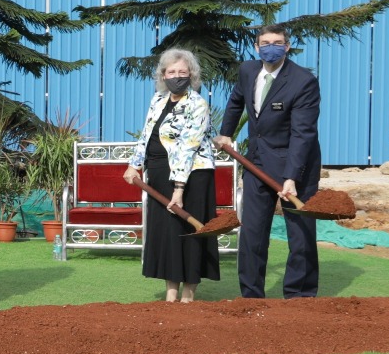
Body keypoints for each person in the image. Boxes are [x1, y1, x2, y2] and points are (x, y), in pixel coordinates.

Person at [214, 24, 323, 299]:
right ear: (256, 46)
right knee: (252, 232)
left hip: (296, 166)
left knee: (299, 235)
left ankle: (300, 295)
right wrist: (226, 132)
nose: (270, 47)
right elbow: (236, 100)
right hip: (257, 163)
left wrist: (291, 178)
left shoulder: (303, 81)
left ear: (287, 47)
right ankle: (251, 294)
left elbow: (302, 134)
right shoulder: (248, 70)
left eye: (277, 42)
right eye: (265, 42)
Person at [126, 49, 221, 303]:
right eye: (171, 72)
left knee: (187, 233)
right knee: (168, 233)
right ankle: (171, 292)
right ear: (163, 75)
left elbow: (187, 147)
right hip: (158, 174)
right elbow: (147, 134)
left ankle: (188, 293)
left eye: (182, 72)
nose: (177, 76)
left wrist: (179, 189)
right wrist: (134, 165)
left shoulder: (197, 104)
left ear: (191, 74)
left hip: (191, 177)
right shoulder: (158, 99)